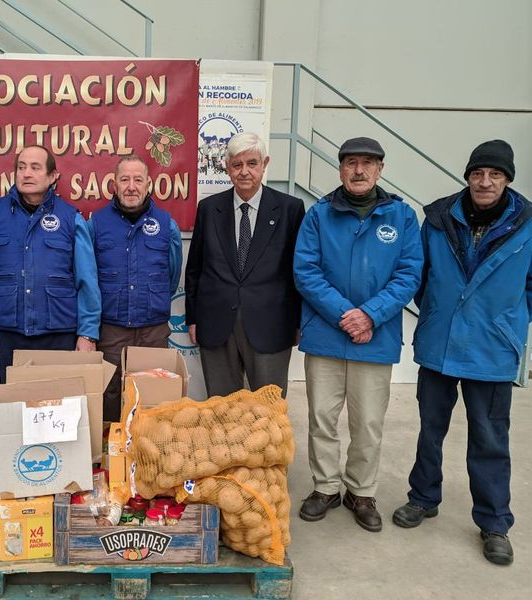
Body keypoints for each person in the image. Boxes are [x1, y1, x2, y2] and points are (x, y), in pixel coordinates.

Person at [392, 140, 529, 565]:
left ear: (507, 179)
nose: (485, 182)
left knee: (489, 438)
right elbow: (418, 272)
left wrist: (511, 321)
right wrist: (432, 310)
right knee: (430, 428)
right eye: (477, 173)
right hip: (440, 342)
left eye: (495, 175)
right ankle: (423, 497)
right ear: (467, 176)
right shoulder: (437, 218)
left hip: (492, 348)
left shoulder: (526, 223)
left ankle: (493, 522)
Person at [293, 137, 423, 532]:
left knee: (367, 423)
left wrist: (369, 315)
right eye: (351, 163)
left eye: (368, 163)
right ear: (340, 169)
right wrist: (344, 314)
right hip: (326, 336)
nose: (359, 170)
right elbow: (306, 271)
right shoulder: (318, 215)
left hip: (376, 337)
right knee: (321, 418)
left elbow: (409, 274)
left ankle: (361, 491)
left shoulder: (401, 217)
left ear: (380, 169)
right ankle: (325, 487)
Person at [184, 132, 305, 398]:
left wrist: (298, 322)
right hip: (216, 325)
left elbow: (298, 273)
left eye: (252, 163)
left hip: (271, 325)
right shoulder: (208, 209)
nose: (244, 172)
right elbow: (195, 268)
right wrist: (192, 318)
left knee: (268, 412)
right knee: (222, 410)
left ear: (265, 164)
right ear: (227, 167)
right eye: (237, 165)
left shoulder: (290, 209)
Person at [0, 145, 100, 383]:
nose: (26, 174)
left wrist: (88, 333)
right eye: (21, 167)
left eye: (35, 168)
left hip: (58, 333)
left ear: (53, 176)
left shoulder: (71, 218)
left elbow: (87, 280)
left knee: (59, 407)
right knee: (13, 406)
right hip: (9, 332)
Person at [87, 156, 182, 421]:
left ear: (148, 184)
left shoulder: (167, 225)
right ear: (114, 184)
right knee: (109, 395)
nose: (131, 186)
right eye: (124, 179)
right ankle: (110, 458)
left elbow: (171, 277)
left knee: (152, 398)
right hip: (110, 331)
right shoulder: (96, 224)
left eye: (138, 180)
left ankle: (146, 458)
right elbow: (86, 275)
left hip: (153, 332)